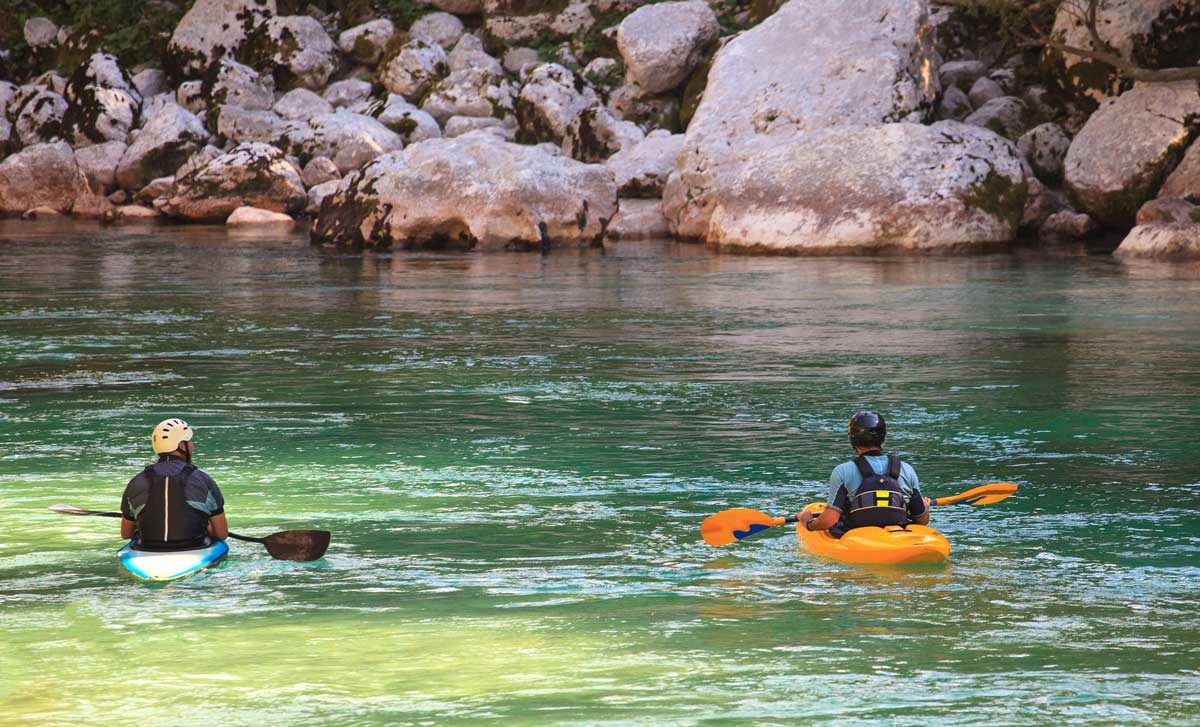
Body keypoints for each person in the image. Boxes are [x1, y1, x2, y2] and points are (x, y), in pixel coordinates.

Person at [798, 411, 930, 536]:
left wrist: (809, 522)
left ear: (852, 439)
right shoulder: (906, 469)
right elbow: (922, 520)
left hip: (858, 537)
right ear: (883, 438)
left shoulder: (843, 471)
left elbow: (830, 520)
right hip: (898, 535)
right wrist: (925, 508)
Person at [120, 418, 228, 550]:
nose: (192, 445)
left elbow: (126, 534)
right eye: (189, 441)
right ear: (182, 446)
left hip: (148, 549)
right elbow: (221, 533)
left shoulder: (136, 481)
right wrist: (206, 526)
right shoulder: (202, 479)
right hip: (195, 547)